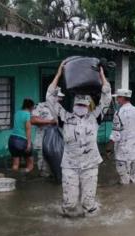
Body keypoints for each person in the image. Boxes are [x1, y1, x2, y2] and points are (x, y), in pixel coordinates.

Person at [47, 61, 111, 217]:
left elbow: (107, 97)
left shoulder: (95, 118)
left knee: (88, 205)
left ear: (88, 106)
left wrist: (102, 76)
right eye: (78, 105)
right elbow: (50, 98)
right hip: (70, 166)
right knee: (69, 204)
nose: (80, 108)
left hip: (90, 165)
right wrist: (58, 74)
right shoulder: (64, 118)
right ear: (74, 105)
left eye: (83, 105)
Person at [108, 89, 135, 185]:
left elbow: (116, 134)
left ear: (121, 98)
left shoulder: (119, 113)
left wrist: (108, 148)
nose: (116, 99)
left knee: (124, 177)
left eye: (118, 97)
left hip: (122, 151)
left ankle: (125, 196)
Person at [31, 89, 62, 177]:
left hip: (56, 141)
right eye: (58, 97)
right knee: (44, 166)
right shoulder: (40, 106)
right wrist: (49, 121)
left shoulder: (60, 108)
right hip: (43, 139)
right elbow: (33, 120)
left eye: (60, 97)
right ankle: (44, 181)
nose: (60, 99)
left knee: (57, 163)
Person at [8, 98, 35, 173]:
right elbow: (28, 129)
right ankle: (24, 175)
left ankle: (14, 180)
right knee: (30, 164)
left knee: (15, 164)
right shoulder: (27, 114)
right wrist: (29, 144)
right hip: (22, 141)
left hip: (12, 140)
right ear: (31, 107)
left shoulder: (17, 113)